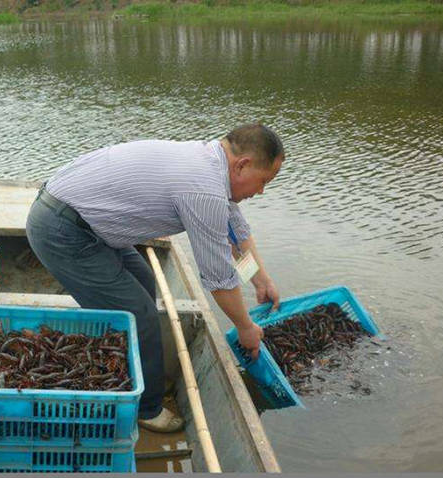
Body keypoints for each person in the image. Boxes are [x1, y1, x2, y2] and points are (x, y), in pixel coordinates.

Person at [26, 122, 284, 433]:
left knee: (145, 285)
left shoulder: (210, 164)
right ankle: (146, 409)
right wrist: (245, 328)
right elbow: (218, 279)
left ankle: (133, 369)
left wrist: (260, 280)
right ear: (242, 165)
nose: (260, 192)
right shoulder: (203, 189)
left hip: (89, 224)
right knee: (140, 314)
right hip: (63, 230)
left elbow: (236, 234)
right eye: (263, 181)